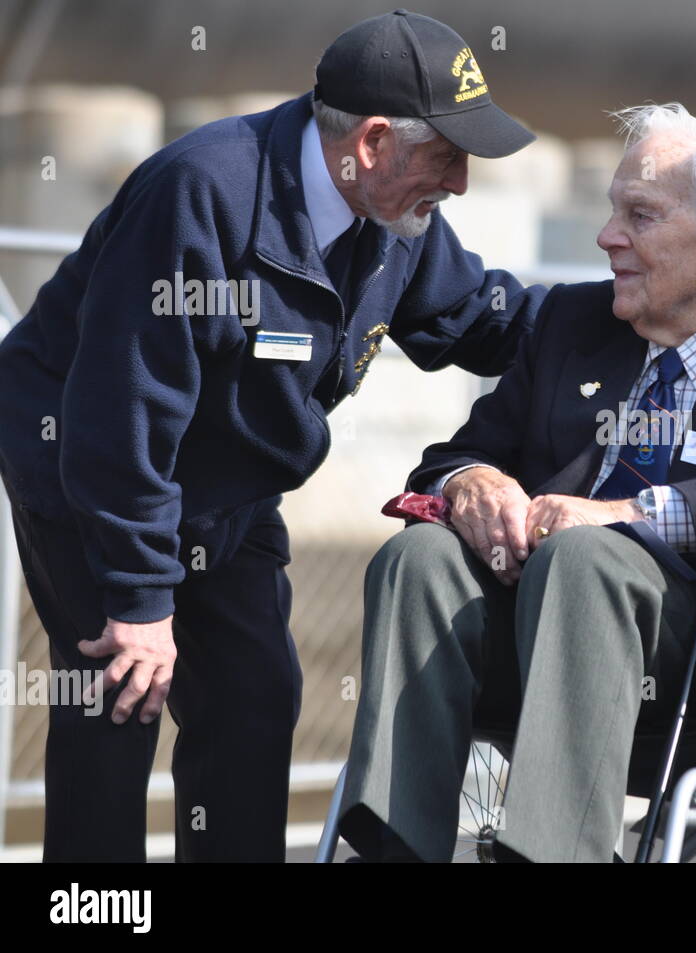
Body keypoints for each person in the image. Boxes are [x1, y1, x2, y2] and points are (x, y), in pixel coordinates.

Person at [0, 10, 544, 862]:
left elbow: (476, 317)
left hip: (229, 484)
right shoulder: (201, 195)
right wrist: (142, 600)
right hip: (93, 468)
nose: (462, 183)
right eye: (449, 156)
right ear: (370, 143)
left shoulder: (395, 216)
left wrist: (626, 309)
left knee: (254, 695)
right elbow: (123, 412)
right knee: (120, 701)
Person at [337, 102, 696, 862]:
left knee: (587, 554)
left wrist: (633, 512)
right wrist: (474, 484)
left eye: (641, 215)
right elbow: (452, 456)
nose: (607, 237)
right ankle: (394, 848)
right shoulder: (573, 320)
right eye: (611, 210)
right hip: (539, 626)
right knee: (419, 559)